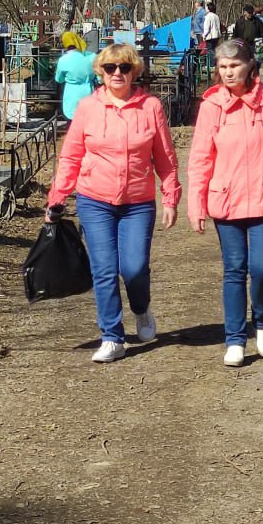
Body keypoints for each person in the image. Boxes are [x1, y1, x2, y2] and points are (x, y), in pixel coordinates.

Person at [46, 43, 181, 363]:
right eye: (110, 68)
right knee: (104, 270)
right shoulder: (88, 108)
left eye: (124, 67)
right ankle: (112, 336)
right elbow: (71, 156)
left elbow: (165, 157)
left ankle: (141, 308)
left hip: (137, 201)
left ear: (135, 71)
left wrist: (171, 196)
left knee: (133, 269)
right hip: (95, 200)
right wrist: (57, 197)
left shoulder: (150, 107)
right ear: (101, 72)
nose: (117, 73)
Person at [188, 40, 263, 367]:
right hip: (225, 201)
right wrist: (196, 204)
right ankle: (234, 339)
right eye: (223, 67)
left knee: (262, 267)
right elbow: (200, 159)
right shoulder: (211, 105)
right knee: (234, 270)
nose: (228, 72)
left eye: (234, 65)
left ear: (248, 66)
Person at [53, 31, 97, 120]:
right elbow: (100, 77)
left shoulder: (63, 60)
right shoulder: (92, 57)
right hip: (89, 91)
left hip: (71, 93)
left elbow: (59, 79)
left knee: (73, 120)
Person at [202, 1, 222, 69]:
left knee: (210, 50)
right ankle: (215, 63)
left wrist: (204, 35)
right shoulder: (216, 16)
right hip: (216, 35)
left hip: (210, 36)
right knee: (214, 49)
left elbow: (207, 28)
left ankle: (212, 64)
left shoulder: (208, 17)